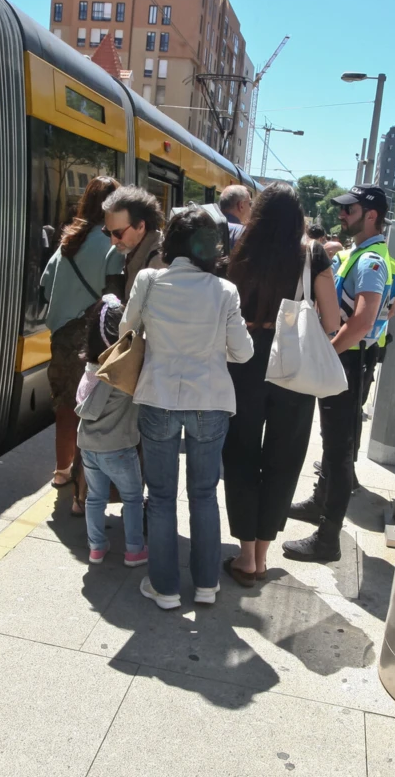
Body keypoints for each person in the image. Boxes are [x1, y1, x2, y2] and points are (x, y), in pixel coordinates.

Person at [122, 207, 253, 609]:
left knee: (161, 497)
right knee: (204, 494)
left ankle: (164, 589)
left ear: (169, 244)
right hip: (210, 402)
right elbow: (244, 353)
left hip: (158, 397)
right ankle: (206, 585)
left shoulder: (148, 281)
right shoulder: (225, 291)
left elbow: (126, 331)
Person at [221, 183, 340, 587]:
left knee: (240, 454)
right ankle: (262, 556)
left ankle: (244, 555)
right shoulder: (312, 254)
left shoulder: (239, 248)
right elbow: (332, 322)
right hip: (292, 362)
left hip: (243, 359)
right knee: (284, 458)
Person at [285, 185, 395, 562]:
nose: (342, 214)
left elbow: (362, 322)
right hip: (347, 358)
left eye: (350, 209)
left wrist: (325, 355)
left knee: (338, 450)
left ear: (371, 215)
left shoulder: (371, 261)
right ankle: (319, 503)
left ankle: (327, 539)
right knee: (333, 441)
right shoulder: (363, 254)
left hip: (349, 359)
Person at [40, 176, 123, 501]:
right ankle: (82, 489)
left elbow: (45, 288)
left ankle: (62, 471)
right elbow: (115, 296)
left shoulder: (68, 241)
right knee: (91, 412)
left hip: (60, 336)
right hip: (92, 338)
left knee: (64, 406)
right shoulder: (112, 245)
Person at [76, 295, 147, 566]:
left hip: (88, 446)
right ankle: (134, 550)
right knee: (132, 498)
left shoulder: (90, 369)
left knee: (95, 498)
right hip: (118, 448)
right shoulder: (121, 372)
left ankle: (96, 548)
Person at [103, 185, 165, 296]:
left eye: (118, 233)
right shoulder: (133, 249)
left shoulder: (158, 262)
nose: (113, 242)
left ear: (140, 227)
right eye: (108, 232)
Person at [218, 184, 252, 253]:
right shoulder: (243, 233)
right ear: (241, 206)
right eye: (250, 204)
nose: (251, 209)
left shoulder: (208, 226)